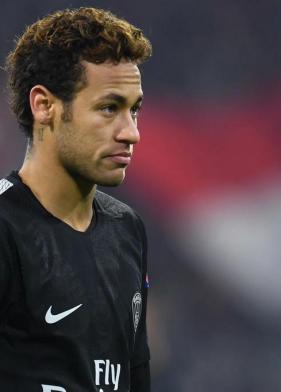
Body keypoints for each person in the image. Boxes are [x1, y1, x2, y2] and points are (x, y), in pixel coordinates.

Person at [0, 7, 152, 392]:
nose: (131, 133)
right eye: (108, 108)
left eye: (134, 110)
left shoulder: (127, 230)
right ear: (44, 106)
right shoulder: (6, 230)